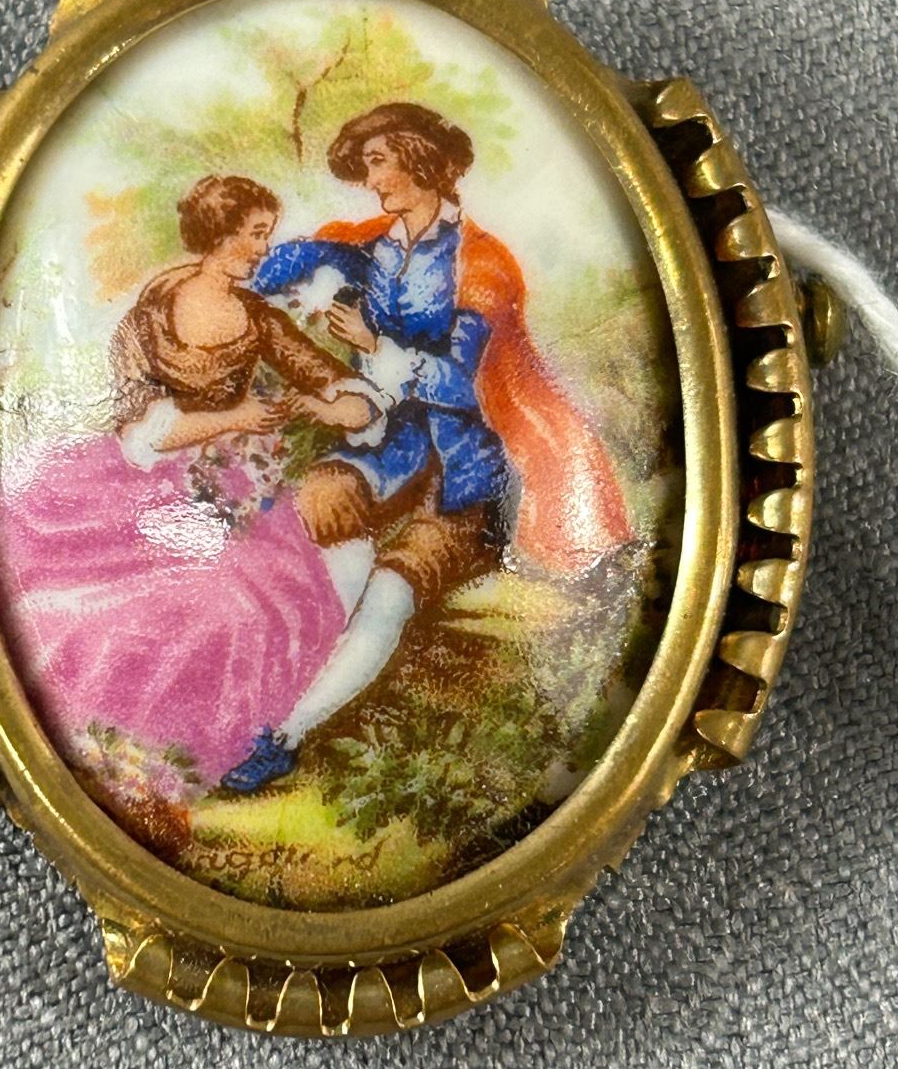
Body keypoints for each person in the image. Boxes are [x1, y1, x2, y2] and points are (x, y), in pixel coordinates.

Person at [219, 101, 632, 793]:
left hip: (467, 470)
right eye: (367, 165)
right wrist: (230, 274)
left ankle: (284, 736)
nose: (371, 178)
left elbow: (460, 382)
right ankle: (274, 694)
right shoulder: (375, 247)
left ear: (419, 161)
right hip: (390, 448)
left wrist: (374, 344)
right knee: (321, 503)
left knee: (389, 592)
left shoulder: (482, 264)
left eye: (379, 161)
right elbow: (291, 262)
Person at [0, 175, 376, 794]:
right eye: (254, 235)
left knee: (235, 607)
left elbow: (343, 392)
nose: (262, 250)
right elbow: (140, 430)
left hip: (229, 488)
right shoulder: (152, 317)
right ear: (218, 235)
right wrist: (237, 417)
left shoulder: (259, 320)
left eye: (266, 236)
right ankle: (90, 742)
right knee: (69, 589)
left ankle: (189, 751)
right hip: (135, 480)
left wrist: (335, 404)